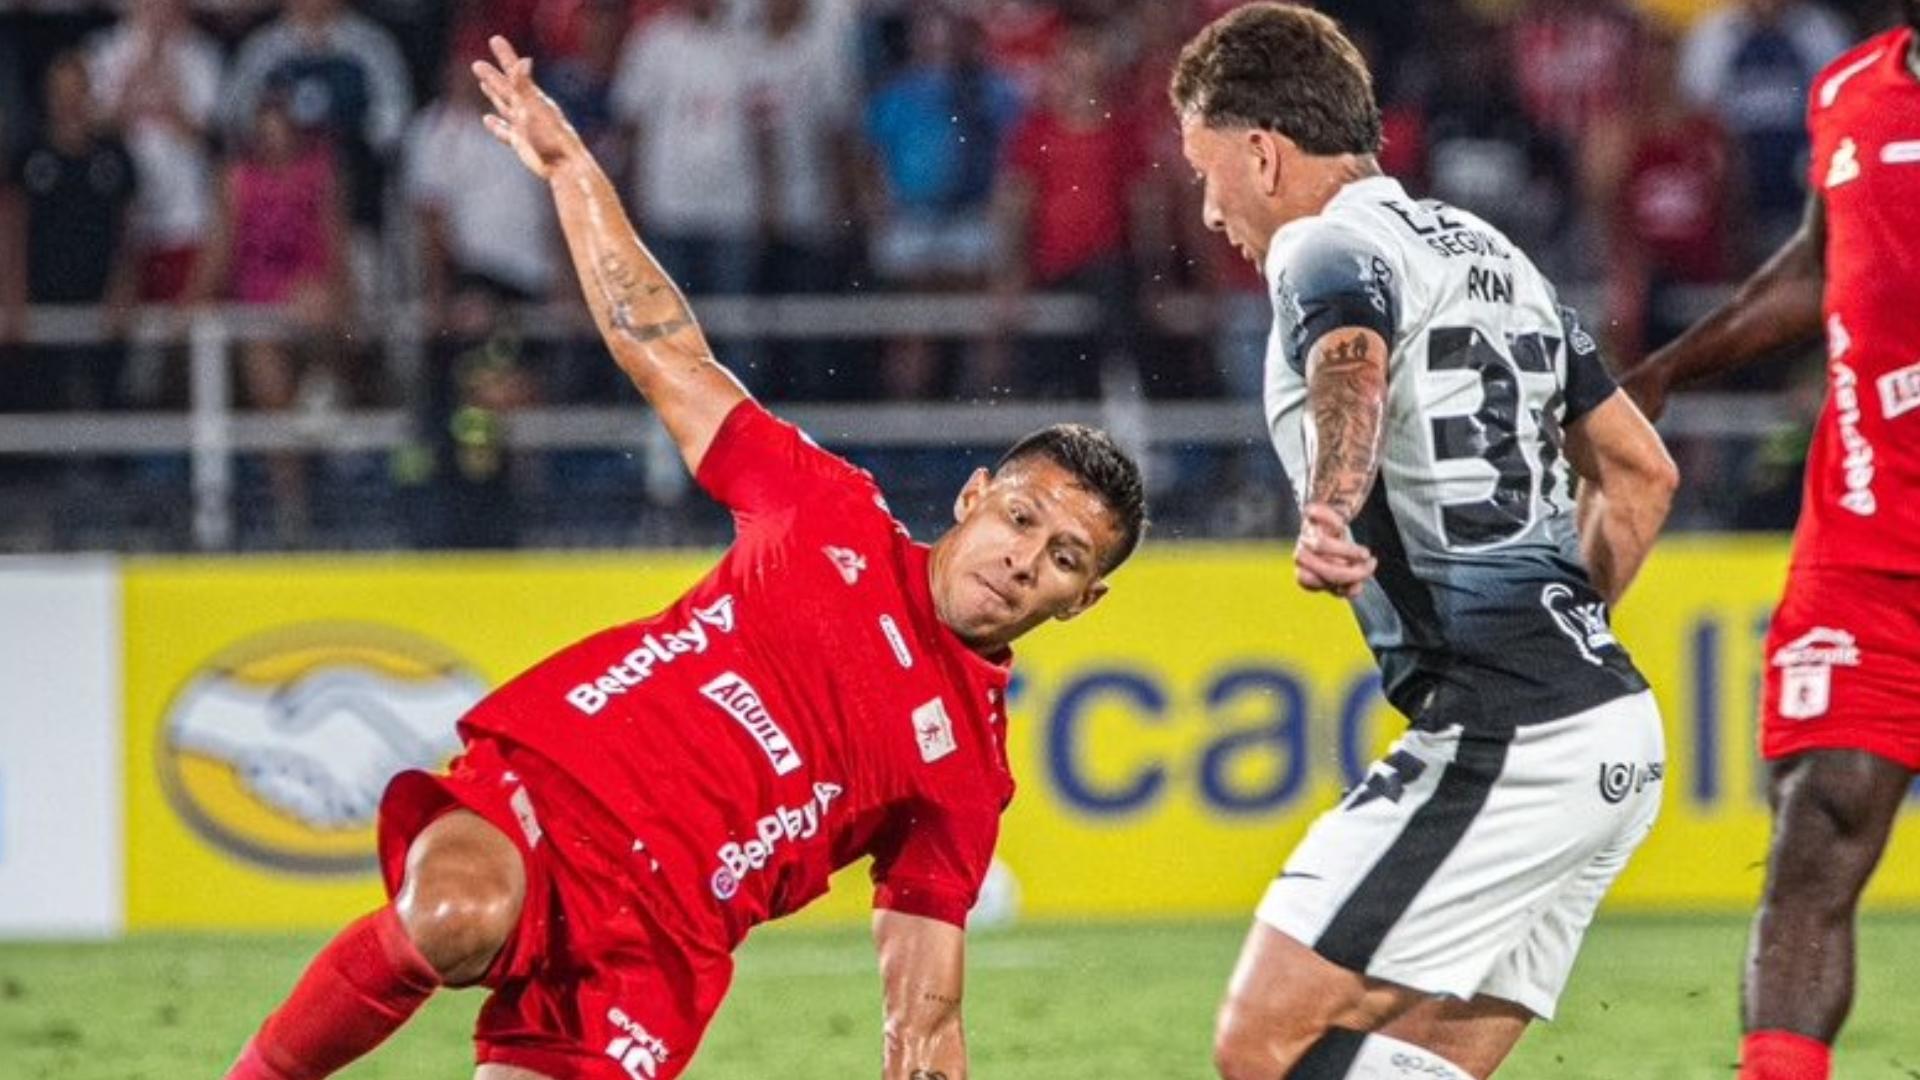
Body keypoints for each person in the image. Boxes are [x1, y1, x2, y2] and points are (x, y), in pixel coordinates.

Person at [224, 35, 1145, 1080]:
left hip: (659, 947)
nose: (1024, 559)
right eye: (1020, 518)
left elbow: (923, 1017)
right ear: (973, 496)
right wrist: (572, 174)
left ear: (1083, 600)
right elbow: (665, 349)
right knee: (454, 913)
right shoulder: (829, 512)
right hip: (560, 795)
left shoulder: (967, 771)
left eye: (1064, 557)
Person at [1170, 6, 1678, 1078]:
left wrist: (1330, 503)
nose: (1210, 209)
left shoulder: (1322, 244)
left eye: (1207, 172)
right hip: (1612, 730)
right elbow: (1643, 475)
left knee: (1264, 1043)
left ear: (1262, 152)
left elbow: (1352, 357)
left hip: (1507, 736)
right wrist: (1560, 643)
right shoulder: (1495, 255)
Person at [1620, 8, 1920, 1079]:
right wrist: (1667, 369)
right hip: (1865, 550)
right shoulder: (1848, 90)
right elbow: (1818, 267)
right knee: (1817, 830)